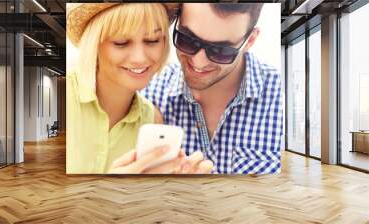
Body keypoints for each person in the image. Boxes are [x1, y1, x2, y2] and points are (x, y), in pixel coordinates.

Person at [66, 3, 213, 174]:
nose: (139, 58)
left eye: (152, 41)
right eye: (121, 42)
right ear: (95, 44)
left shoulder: (152, 118)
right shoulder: (65, 100)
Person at [142, 3, 283, 174]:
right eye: (187, 40)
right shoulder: (147, 92)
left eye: (220, 51)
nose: (198, 62)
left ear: (250, 41)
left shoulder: (280, 99)